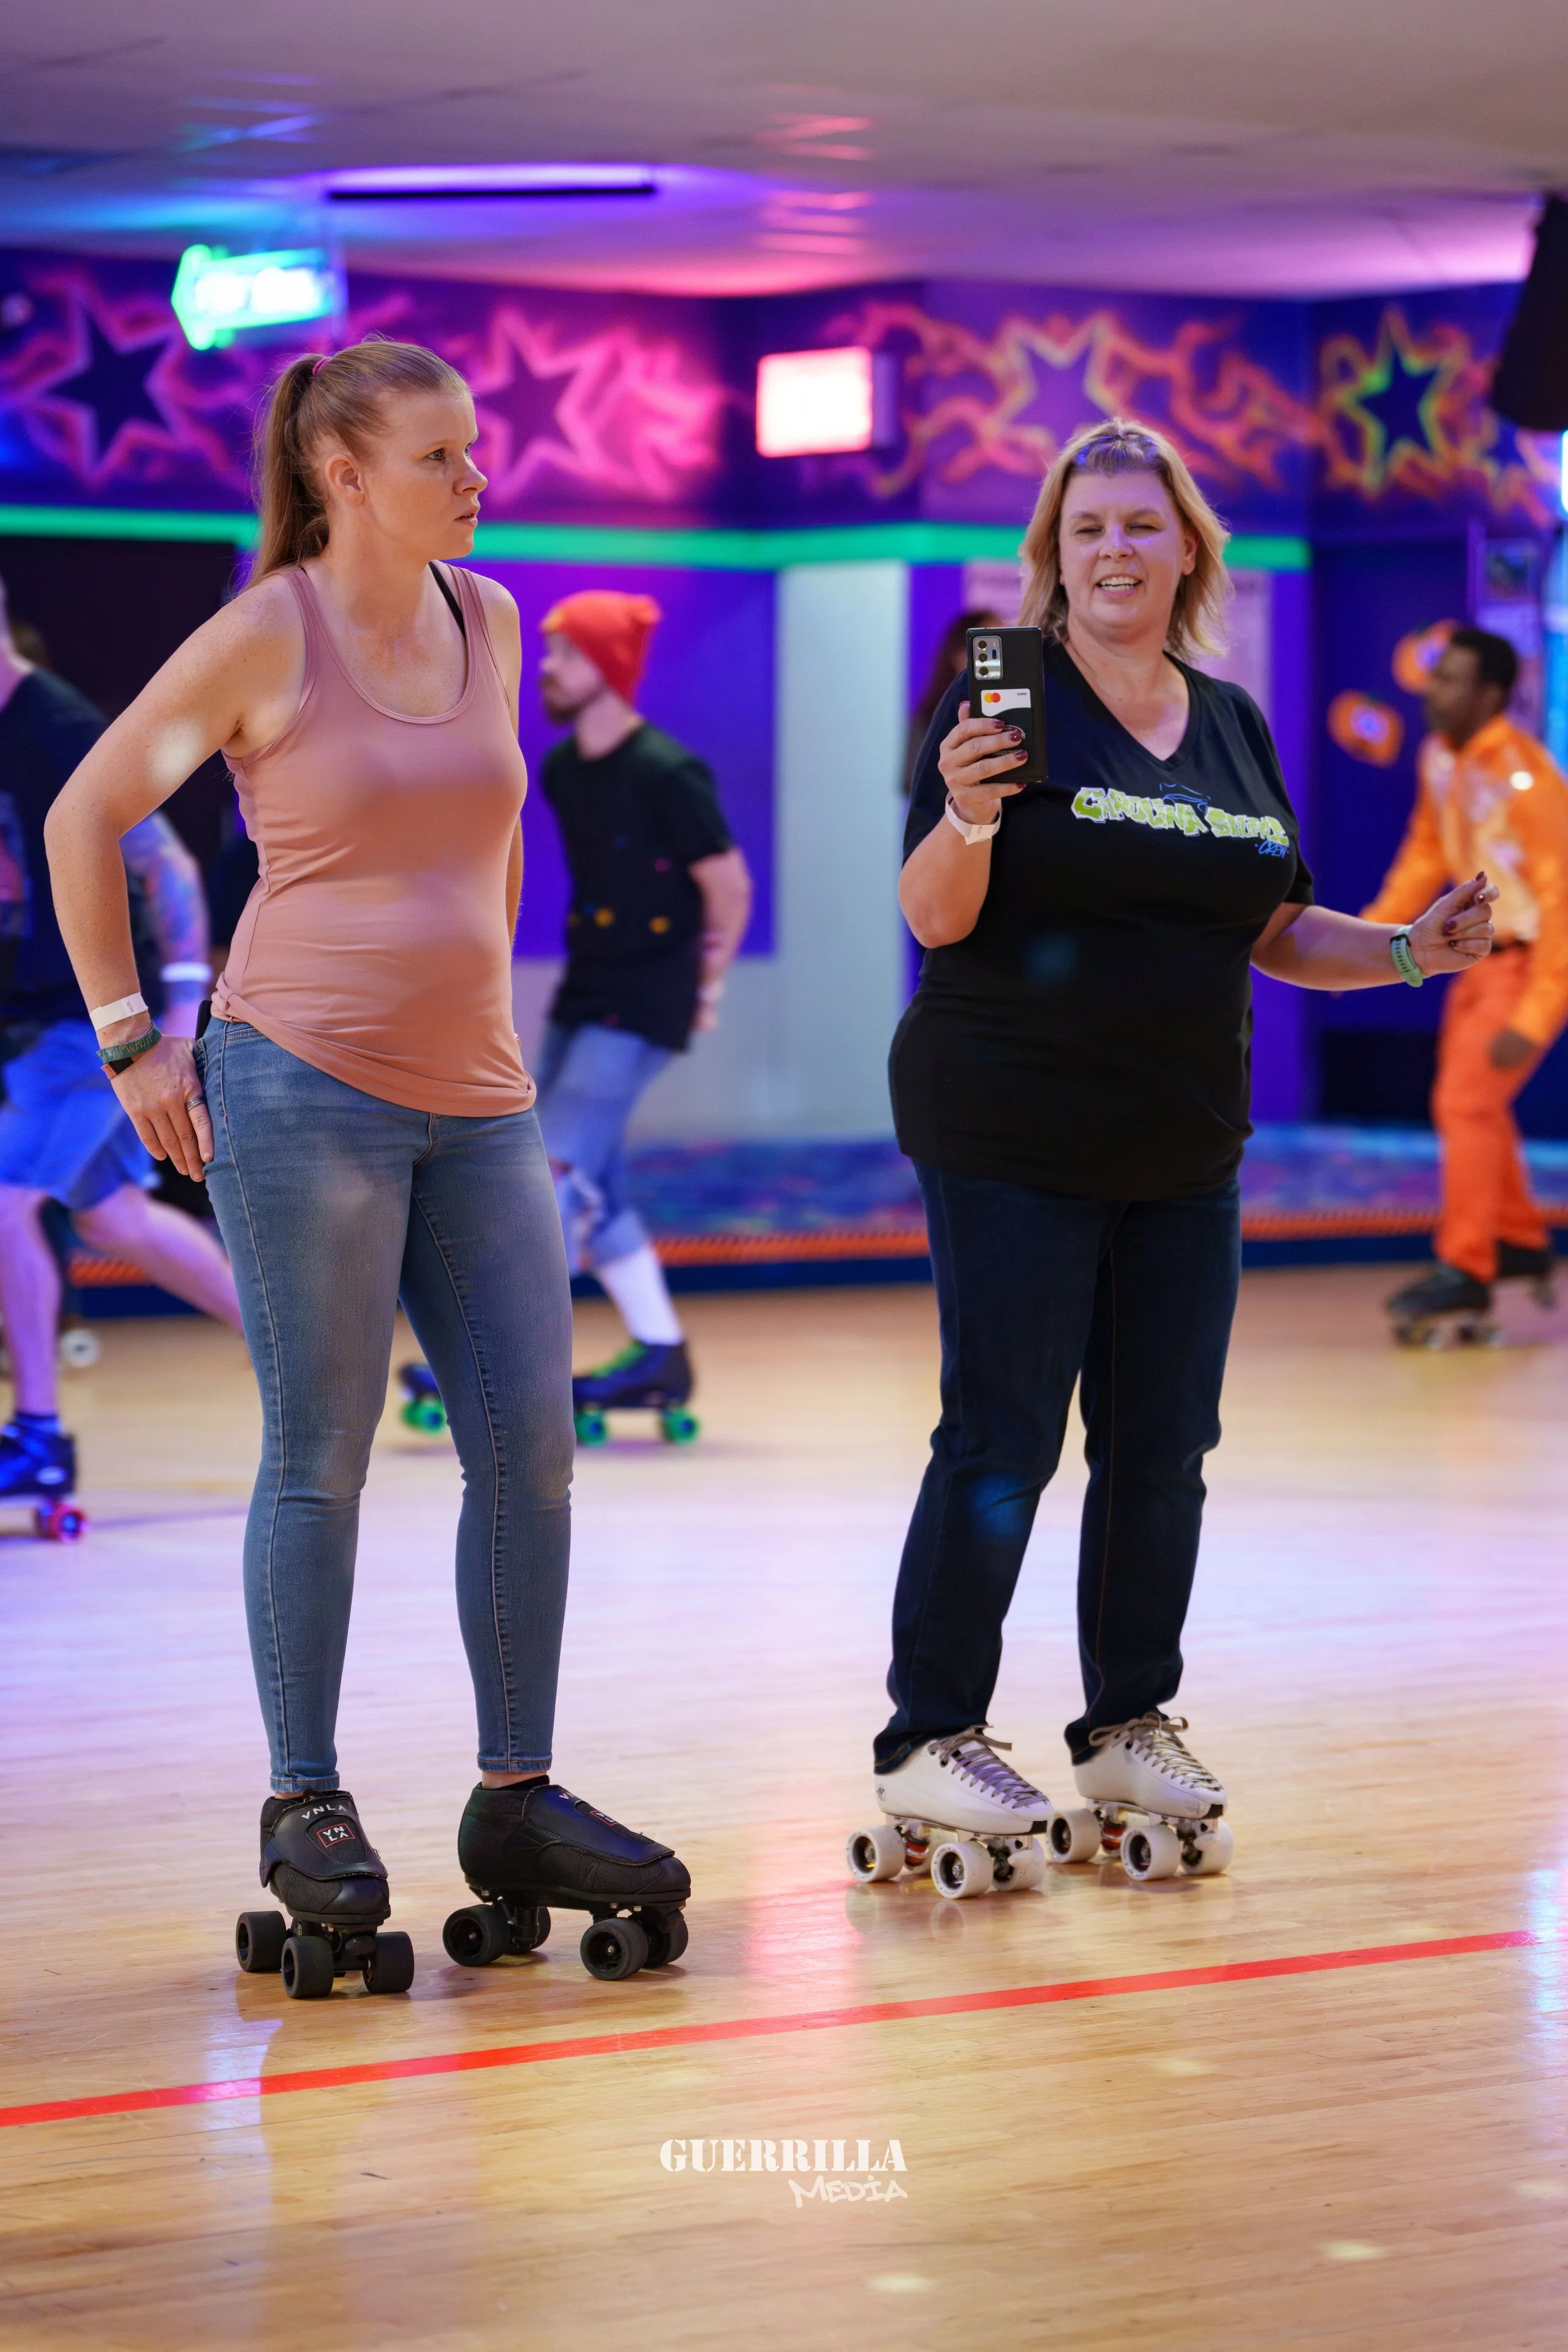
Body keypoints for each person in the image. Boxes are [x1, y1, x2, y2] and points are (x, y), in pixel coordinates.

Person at [45, 339, 689, 1981]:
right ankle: (305, 1798)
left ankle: (514, 1792)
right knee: (318, 1450)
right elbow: (84, 811)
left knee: (529, 1450)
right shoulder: (270, 627)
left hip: (480, 1097)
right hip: (296, 1083)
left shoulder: (491, 620)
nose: (476, 480)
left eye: (473, 452)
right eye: (439, 457)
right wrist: (133, 1038)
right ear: (343, 473)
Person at [871, 417, 1496, 1859]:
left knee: (1162, 1444)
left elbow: (1272, 925)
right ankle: (928, 1735)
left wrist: (1410, 949)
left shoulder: (1229, 719)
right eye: (1085, 528)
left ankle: (1126, 1722)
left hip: (1183, 1135)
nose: (1112, 551)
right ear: (1052, 554)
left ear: (1188, 551)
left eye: (1141, 526)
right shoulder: (1005, 701)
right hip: (1008, 1119)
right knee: (1002, 1435)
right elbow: (930, 914)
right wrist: (966, 811)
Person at [0, 575, 242, 1517]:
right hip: (38, 1017)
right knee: (113, 1222)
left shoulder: (55, 727)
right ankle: (297, 1357)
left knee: (6, 1206)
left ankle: (41, 1437)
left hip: (88, 1019)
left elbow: (166, 866)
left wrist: (177, 1021)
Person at [534, 590, 751, 1434]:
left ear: (607, 666)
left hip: (647, 997)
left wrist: (708, 984)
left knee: (552, 1170)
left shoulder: (668, 770)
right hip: (588, 985)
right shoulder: (560, 769)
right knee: (592, 1175)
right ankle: (659, 1348)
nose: (548, 669)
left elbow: (726, 884)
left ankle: (521, 1369)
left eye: (565, 654)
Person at [1364, 627, 1568, 1329]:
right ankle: (1514, 1239)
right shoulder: (1439, 760)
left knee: (1465, 1106)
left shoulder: (1528, 777)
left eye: (1451, 679)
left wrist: (1537, 1016)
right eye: (1436, 674)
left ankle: (1466, 1267)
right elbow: (1426, 854)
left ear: (1488, 696)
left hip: (1523, 965)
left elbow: (1562, 897)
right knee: (1473, 1108)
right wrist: (1369, 939)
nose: (1433, 690)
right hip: (1472, 964)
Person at [905, 607, 1002, 793]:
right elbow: (912, 784)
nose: (998, 659)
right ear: (959, 654)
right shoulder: (928, 716)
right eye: (988, 650)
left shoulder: (1012, 710)